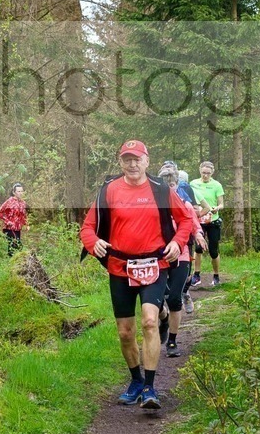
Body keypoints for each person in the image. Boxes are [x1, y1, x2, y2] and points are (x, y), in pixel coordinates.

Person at [80, 140, 195, 410]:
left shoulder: (161, 191)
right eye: (127, 159)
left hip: (155, 265)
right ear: (120, 162)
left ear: (147, 161)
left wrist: (178, 242)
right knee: (125, 332)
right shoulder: (108, 191)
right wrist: (92, 242)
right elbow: (87, 228)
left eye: (137, 159)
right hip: (120, 267)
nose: (132, 164)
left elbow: (186, 220)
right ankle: (135, 380)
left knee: (149, 322)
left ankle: (150, 387)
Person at [156, 161, 207, 358]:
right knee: (158, 299)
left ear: (177, 184)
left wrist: (200, 234)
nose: (169, 185)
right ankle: (164, 318)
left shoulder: (184, 203)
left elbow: (192, 221)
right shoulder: (153, 204)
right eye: (165, 181)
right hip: (158, 256)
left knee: (175, 298)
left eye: (172, 181)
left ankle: (172, 341)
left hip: (181, 254)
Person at [177, 169, 210, 313]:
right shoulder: (158, 192)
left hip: (185, 233)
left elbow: (201, 208)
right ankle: (174, 296)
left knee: (185, 267)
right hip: (168, 237)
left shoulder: (188, 189)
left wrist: (193, 218)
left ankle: (184, 292)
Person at [190, 161, 225, 287]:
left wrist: (217, 208)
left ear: (212, 173)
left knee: (213, 250)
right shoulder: (193, 183)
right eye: (204, 173)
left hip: (213, 220)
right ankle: (196, 274)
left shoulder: (217, 185)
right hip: (199, 220)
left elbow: (222, 203)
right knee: (198, 248)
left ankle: (216, 276)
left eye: (208, 173)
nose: (205, 175)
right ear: (200, 171)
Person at [0, 182, 28, 256]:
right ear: (14, 192)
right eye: (18, 191)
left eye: (22, 191)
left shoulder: (23, 203)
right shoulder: (9, 201)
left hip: (18, 228)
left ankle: (11, 263)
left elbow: (24, 215)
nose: (20, 193)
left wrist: (26, 224)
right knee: (16, 245)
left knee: (15, 247)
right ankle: (11, 262)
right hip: (9, 228)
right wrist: (7, 221)